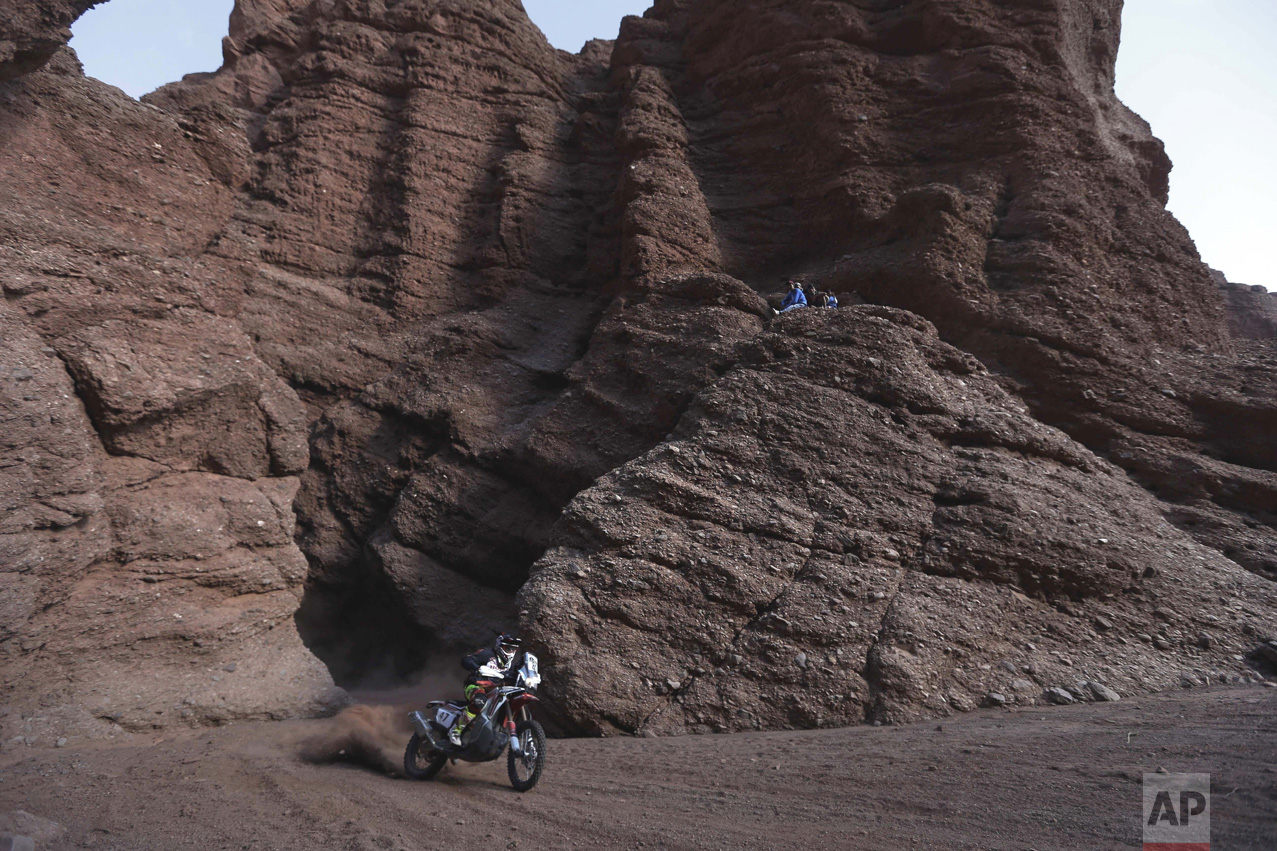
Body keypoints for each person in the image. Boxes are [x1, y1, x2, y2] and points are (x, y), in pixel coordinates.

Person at [449, 633, 524, 746]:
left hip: (497, 692)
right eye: (509, 648)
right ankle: (455, 731)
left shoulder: (511, 666)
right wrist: (477, 668)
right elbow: (466, 660)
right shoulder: (487, 654)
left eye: (514, 649)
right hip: (475, 686)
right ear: (500, 646)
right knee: (480, 701)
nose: (511, 652)